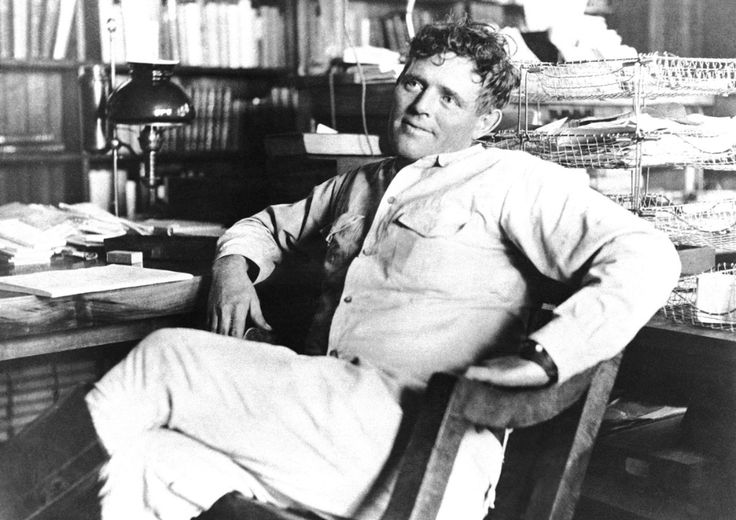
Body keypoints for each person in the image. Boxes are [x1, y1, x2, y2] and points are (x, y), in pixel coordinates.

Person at [0, 17, 680, 520]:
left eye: (448, 97)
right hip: (332, 430)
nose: (420, 104)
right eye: (414, 83)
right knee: (147, 463)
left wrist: (545, 356)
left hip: (416, 439)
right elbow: (265, 226)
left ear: (487, 118)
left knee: (165, 360)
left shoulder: (510, 179)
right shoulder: (365, 182)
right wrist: (234, 268)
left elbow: (648, 256)